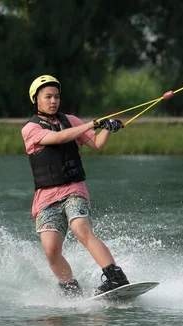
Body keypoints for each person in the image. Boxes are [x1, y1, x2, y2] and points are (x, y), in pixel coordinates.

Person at [21, 74, 129, 298]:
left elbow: (97, 144)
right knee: (51, 251)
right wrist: (93, 123)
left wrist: (107, 127)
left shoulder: (71, 120)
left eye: (57, 97)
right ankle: (71, 290)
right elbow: (58, 138)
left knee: (82, 229)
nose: (53, 101)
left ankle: (116, 278)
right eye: (48, 97)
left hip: (74, 190)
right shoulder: (30, 130)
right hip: (46, 198)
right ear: (36, 100)